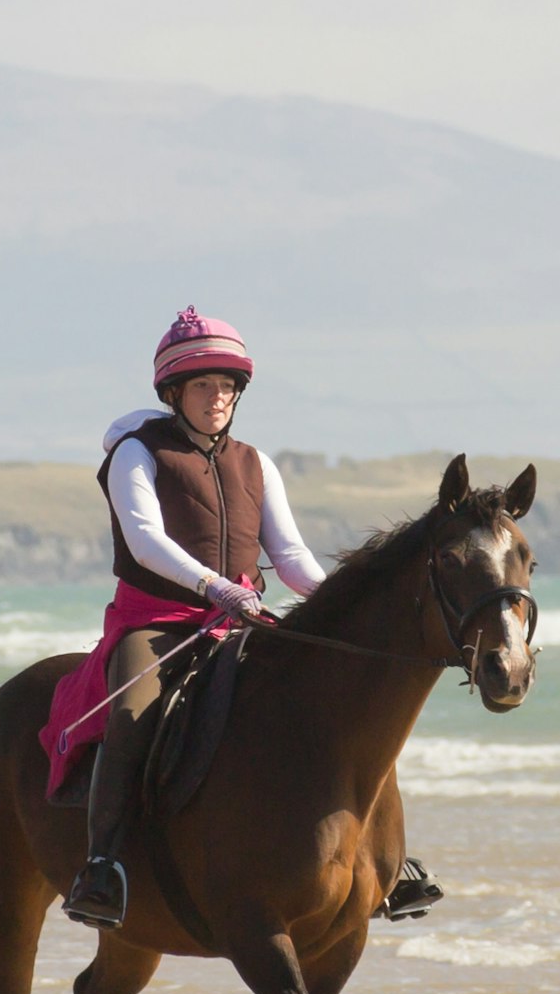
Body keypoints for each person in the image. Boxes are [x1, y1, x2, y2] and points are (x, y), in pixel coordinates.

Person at [57, 306, 443, 929]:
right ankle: (103, 866)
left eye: (228, 386)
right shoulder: (137, 454)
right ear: (174, 392)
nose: (218, 398)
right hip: (160, 623)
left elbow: (289, 555)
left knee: (349, 705)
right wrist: (216, 587)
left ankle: (386, 865)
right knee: (131, 715)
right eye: (204, 386)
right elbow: (146, 539)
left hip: (243, 620)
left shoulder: (256, 462)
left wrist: (336, 609)